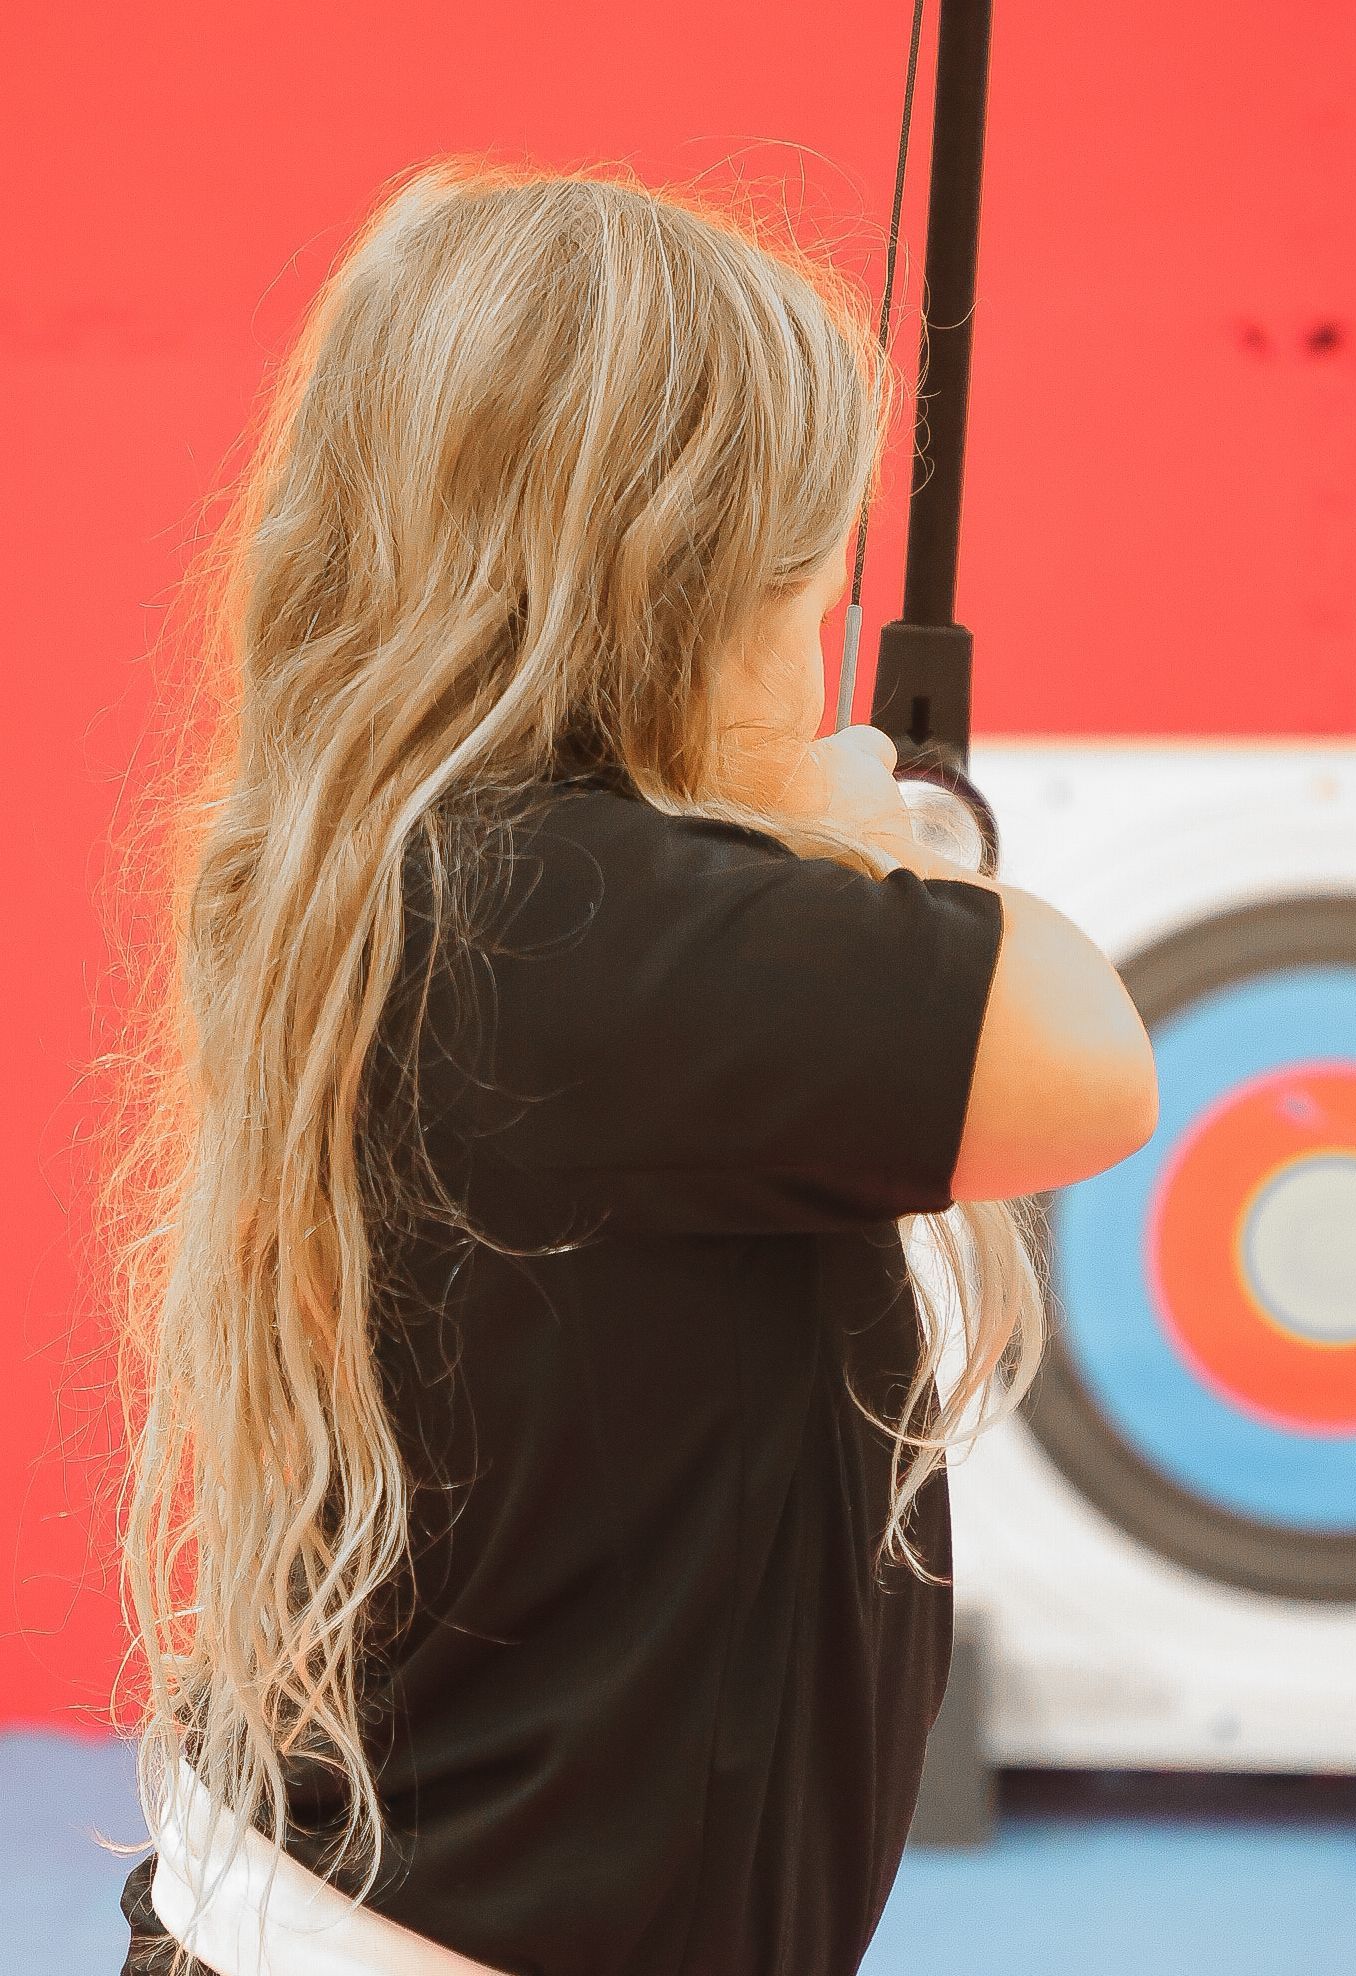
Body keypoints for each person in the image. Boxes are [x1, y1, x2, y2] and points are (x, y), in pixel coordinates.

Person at [106, 156, 1157, 1976]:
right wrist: (878, 832)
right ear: (677, 583)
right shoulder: (583, 918)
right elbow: (1089, 1057)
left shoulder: (449, 872)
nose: (819, 627)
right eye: (800, 593)